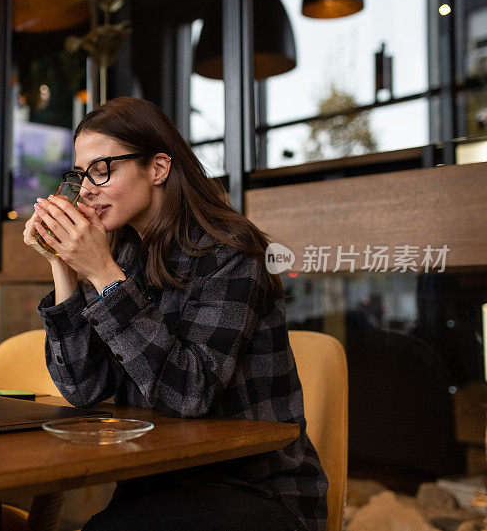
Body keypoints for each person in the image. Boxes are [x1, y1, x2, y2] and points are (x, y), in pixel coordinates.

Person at [23, 97, 328, 531]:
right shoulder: (123, 254)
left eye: (102, 169)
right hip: (156, 484)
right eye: (80, 173)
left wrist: (104, 275)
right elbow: (82, 388)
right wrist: (64, 266)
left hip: (255, 493)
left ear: (158, 168)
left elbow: (190, 392)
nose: (86, 189)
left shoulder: (232, 252)